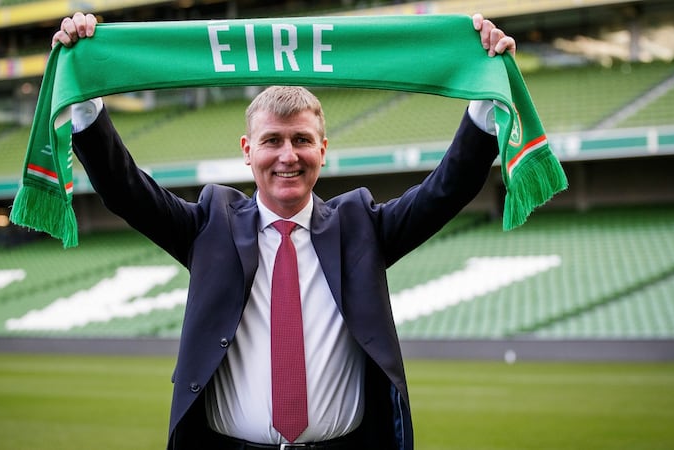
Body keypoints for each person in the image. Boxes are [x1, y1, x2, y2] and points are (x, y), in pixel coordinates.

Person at [54, 11, 516, 450]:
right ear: (247, 150)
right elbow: (126, 191)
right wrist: (87, 95)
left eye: (301, 140)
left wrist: (483, 96)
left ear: (323, 149)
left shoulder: (361, 227)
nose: (287, 155)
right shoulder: (208, 224)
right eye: (272, 140)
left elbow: (444, 191)